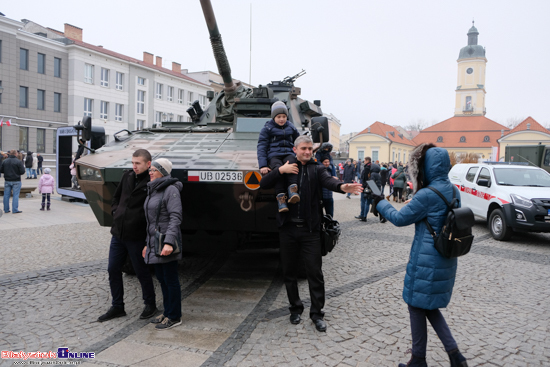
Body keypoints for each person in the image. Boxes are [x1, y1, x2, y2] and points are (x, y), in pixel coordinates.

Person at [373, 144, 468, 367]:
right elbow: (438, 215)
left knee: (416, 305)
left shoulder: (426, 194)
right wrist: (416, 204)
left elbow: (398, 219)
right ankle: (456, 356)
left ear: (424, 167)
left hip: (426, 260)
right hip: (445, 256)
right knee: (429, 306)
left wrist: (379, 202)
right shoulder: (453, 190)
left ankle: (419, 359)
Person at [260, 135, 363, 332]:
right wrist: (280, 170)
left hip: (310, 231)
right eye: (303, 148)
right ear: (295, 149)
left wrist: (342, 186)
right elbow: (263, 183)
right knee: (289, 272)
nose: (307, 152)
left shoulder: (317, 169)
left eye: (310, 149)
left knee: (315, 273)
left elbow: (329, 182)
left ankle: (317, 313)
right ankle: (295, 308)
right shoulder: (286, 166)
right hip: (288, 230)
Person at [98, 149, 157, 323]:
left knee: (141, 271)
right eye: (133, 163)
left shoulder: (152, 182)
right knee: (113, 268)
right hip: (118, 233)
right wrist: (116, 211)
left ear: (148, 164)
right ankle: (117, 306)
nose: (134, 166)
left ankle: (150, 304)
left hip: (137, 235)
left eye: (138, 163)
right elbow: (116, 197)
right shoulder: (127, 176)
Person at [143, 158, 183, 330]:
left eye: (153, 170)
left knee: (170, 279)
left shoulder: (170, 189)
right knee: (162, 279)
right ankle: (167, 312)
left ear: (163, 172)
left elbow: (176, 217)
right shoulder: (154, 189)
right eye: (150, 169)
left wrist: (169, 242)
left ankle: (174, 316)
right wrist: (147, 244)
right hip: (155, 242)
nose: (150, 172)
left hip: (165, 242)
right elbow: (150, 221)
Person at [257, 101, 300, 212]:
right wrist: (263, 165)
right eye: (279, 116)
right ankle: (281, 199)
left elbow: (298, 141)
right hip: (274, 155)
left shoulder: (291, 127)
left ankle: (293, 191)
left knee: (293, 165)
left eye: (284, 116)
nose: (282, 119)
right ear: (273, 117)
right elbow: (262, 147)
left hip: (289, 153)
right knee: (277, 171)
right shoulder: (267, 128)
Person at [1, 150, 26, 214]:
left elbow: (1, 170)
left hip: (7, 180)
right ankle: (15, 209)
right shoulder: (18, 161)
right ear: (15, 154)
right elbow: (22, 171)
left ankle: (6, 209)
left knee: (6, 195)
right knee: (15, 195)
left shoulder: (5, 161)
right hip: (16, 180)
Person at [355, 157, 371, 222]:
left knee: (364, 201)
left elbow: (365, 178)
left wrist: (363, 186)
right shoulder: (370, 167)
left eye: (364, 160)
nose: (364, 161)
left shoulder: (367, 168)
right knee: (367, 202)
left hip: (365, 187)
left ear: (367, 161)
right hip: (369, 187)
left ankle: (363, 216)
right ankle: (363, 215)